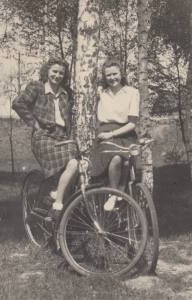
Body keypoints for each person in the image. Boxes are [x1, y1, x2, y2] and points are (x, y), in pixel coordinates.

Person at [12, 57, 78, 219]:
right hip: (43, 136)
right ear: (47, 71)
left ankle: (55, 195)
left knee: (78, 164)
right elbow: (18, 103)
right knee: (72, 164)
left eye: (61, 73)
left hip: (62, 136)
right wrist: (33, 123)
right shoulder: (37, 87)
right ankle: (57, 205)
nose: (57, 75)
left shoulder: (66, 92)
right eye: (54, 71)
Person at [90, 59, 140, 211]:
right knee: (117, 158)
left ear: (121, 74)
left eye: (115, 74)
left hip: (126, 133)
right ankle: (113, 194)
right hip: (105, 133)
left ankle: (120, 194)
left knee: (125, 161)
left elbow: (132, 123)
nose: (112, 78)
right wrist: (107, 134)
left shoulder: (132, 92)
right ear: (104, 77)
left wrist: (112, 133)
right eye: (108, 75)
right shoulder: (100, 93)